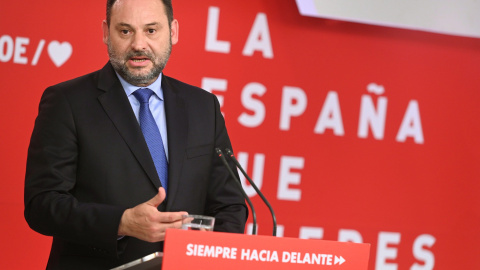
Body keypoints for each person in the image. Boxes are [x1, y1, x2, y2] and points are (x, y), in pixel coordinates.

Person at [24, 0, 248, 269]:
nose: (139, 45)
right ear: (106, 32)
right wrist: (121, 222)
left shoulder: (203, 106)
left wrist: (209, 259)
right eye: (125, 31)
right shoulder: (67, 102)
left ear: (173, 31)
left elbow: (230, 205)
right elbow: (42, 205)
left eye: (151, 30)